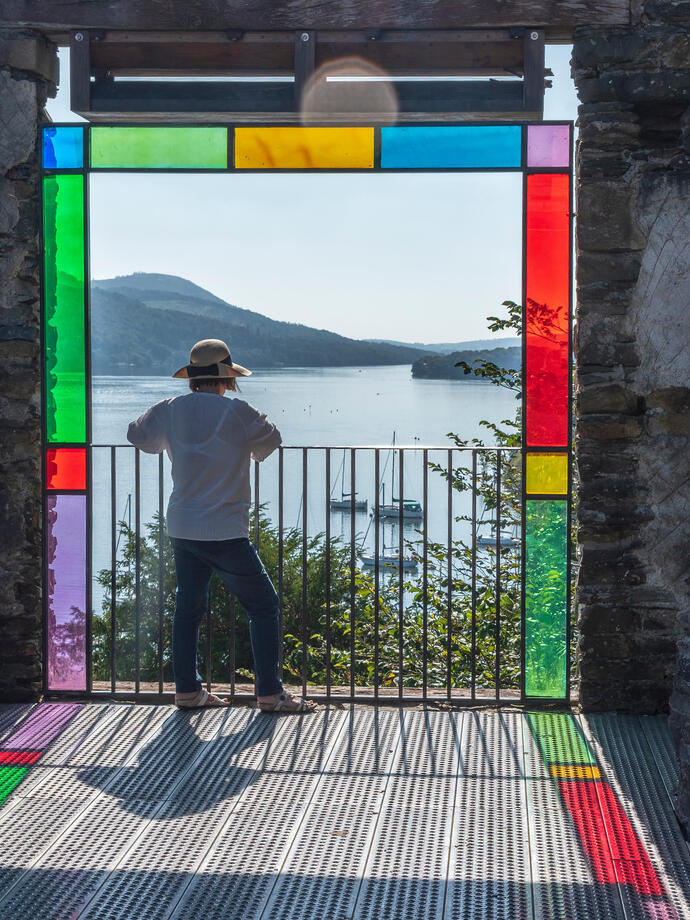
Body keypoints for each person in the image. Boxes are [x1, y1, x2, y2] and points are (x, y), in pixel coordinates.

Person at [127, 338, 315, 714]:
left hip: (182, 525)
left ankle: (187, 691)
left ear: (193, 378)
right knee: (264, 605)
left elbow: (136, 434)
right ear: (226, 378)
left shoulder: (170, 409)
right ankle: (269, 693)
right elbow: (271, 440)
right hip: (226, 528)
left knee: (189, 607)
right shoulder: (239, 413)